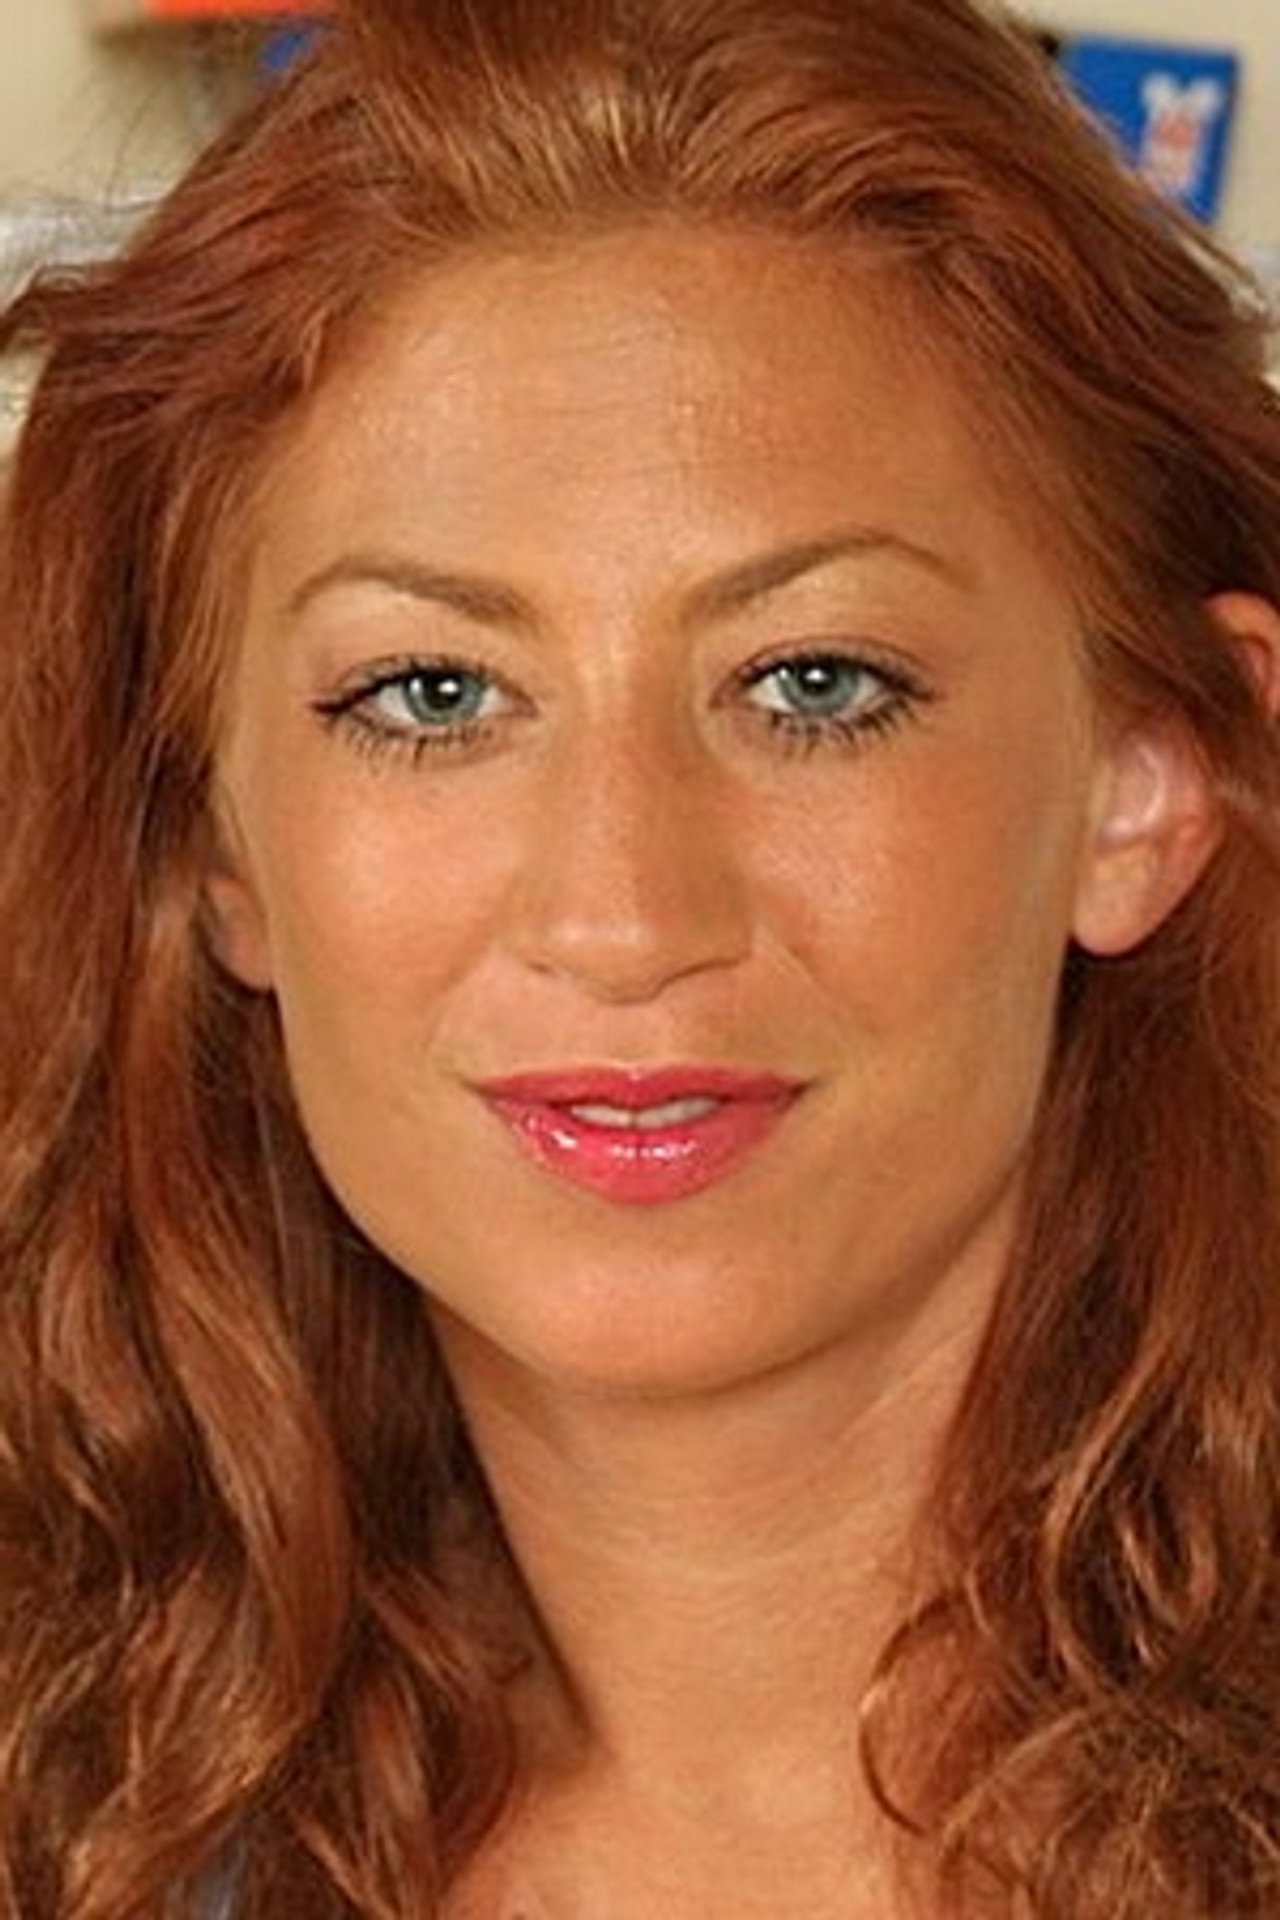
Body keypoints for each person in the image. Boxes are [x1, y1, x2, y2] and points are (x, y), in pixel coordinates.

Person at [3, 0, 1280, 1913]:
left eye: (813, 683)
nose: (619, 918)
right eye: (433, 694)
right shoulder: (79, 1813)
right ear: (214, 833)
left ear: (1150, 782)